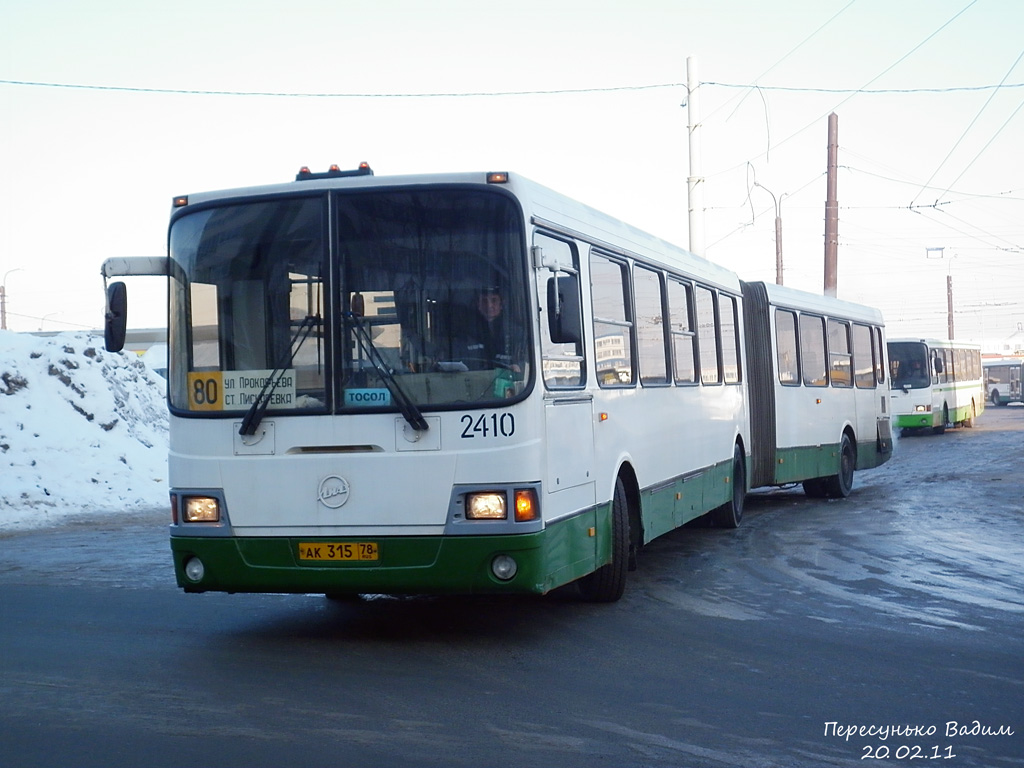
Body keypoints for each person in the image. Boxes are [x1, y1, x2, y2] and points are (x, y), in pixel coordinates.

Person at [456, 285, 523, 371]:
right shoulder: (466, 333)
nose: (489, 305)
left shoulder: (516, 332)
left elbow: (526, 360)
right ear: (478, 305)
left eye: (494, 300)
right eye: (484, 301)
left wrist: (518, 366)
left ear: (501, 305)